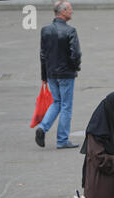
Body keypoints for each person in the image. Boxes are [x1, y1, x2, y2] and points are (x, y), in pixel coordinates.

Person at [35, 1, 81, 149]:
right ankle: (62, 140)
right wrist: (74, 68)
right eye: (70, 9)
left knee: (56, 102)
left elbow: (42, 54)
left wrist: (44, 76)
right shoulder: (70, 31)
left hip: (51, 73)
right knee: (66, 105)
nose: (72, 12)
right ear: (63, 11)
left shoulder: (45, 30)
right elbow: (76, 53)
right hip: (65, 74)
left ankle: (43, 127)